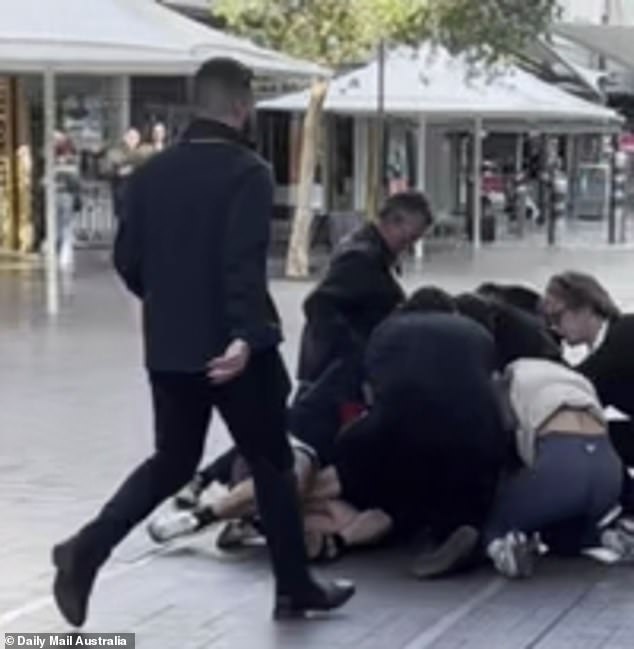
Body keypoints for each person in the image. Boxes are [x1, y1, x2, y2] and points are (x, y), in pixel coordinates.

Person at [51, 57, 354, 628]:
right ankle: (294, 586)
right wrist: (242, 334)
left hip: (169, 346)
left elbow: (128, 261)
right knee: (270, 458)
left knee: (172, 460)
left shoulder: (147, 176)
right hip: (237, 351)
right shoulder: (248, 171)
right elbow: (241, 265)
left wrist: (172, 309)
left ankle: (86, 550)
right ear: (241, 106)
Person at [482, 358, 623, 578]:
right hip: (608, 470)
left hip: (561, 465)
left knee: (497, 524)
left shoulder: (508, 377)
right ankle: (609, 537)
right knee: (562, 534)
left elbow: (505, 431)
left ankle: (505, 549)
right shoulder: (575, 379)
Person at [544, 271, 634, 513]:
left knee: (591, 441)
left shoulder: (622, 337)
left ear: (584, 308)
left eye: (556, 317)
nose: (554, 327)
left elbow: (578, 388)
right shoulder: (619, 334)